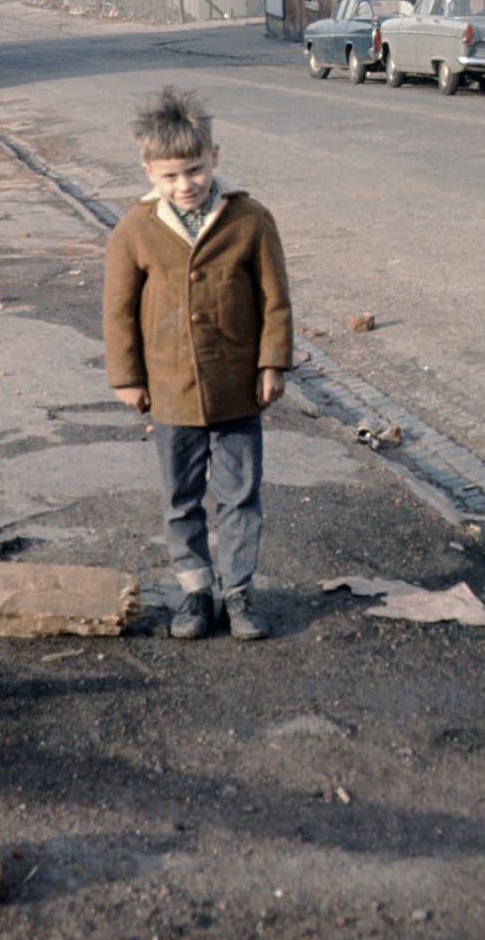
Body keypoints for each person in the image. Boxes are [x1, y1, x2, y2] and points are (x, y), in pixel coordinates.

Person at [103, 87, 293, 641]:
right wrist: (128, 377)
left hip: (239, 390)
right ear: (148, 172)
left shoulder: (250, 220)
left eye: (193, 170)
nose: (184, 185)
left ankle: (238, 593)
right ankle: (195, 593)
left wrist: (271, 364)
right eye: (169, 176)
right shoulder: (136, 230)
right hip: (169, 392)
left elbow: (274, 298)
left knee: (239, 495)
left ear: (215, 156)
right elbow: (118, 311)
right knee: (181, 498)